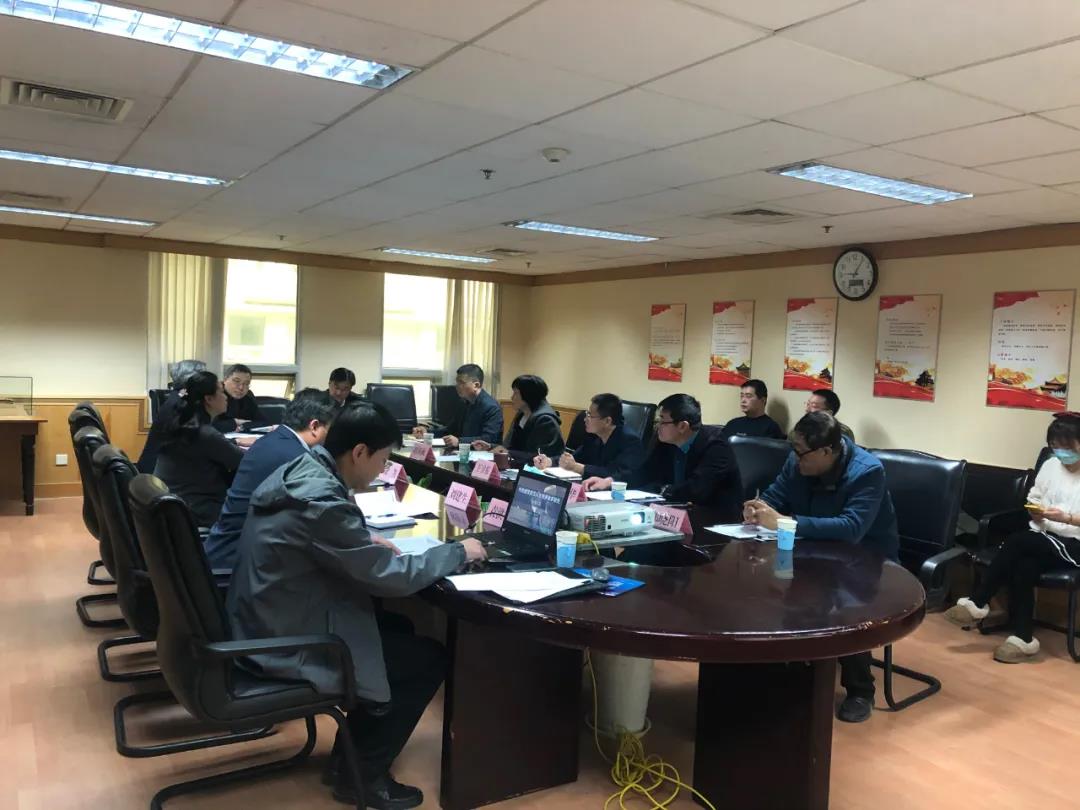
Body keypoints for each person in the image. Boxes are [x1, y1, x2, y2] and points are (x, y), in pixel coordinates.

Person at [226, 402, 486, 807]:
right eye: (383, 460)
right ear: (360, 452)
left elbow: (320, 536)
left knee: (397, 628)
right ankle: (361, 777)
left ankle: (349, 758)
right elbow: (389, 576)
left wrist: (360, 538)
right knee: (426, 660)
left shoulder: (302, 470)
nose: (383, 470)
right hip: (285, 640)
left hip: (266, 617)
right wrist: (458, 551)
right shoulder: (322, 502)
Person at [743, 411, 898, 723]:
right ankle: (792, 670)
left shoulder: (867, 471)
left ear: (827, 451)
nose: (795, 458)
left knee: (844, 604)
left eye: (801, 453)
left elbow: (852, 528)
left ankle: (860, 690)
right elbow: (775, 495)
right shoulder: (798, 461)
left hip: (866, 557)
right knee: (773, 586)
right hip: (812, 549)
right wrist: (757, 509)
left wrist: (785, 521)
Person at [944, 412, 1080, 664]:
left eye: (1068, 447)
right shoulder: (1051, 465)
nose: (1061, 453)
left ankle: (978, 601)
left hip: (1074, 544)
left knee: (1018, 541)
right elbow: (1035, 496)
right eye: (1055, 447)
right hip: (1043, 536)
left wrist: (1067, 518)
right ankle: (1023, 639)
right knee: (1024, 566)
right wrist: (1035, 510)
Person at [203, 388, 337, 570]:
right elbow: (323, 521)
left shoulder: (271, 440)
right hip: (238, 564)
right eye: (330, 429)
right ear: (314, 426)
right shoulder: (297, 459)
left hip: (222, 550)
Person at [583, 393, 742, 522]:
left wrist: (663, 490)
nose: (657, 426)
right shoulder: (664, 441)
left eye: (662, 421)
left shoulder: (716, 446)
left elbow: (696, 490)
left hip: (713, 519)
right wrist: (611, 481)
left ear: (682, 426)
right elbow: (644, 472)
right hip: (673, 511)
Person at [152, 370, 250, 528]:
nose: (226, 397)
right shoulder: (204, 433)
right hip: (197, 509)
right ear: (209, 399)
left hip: (173, 504)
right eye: (221, 392)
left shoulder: (181, 423)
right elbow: (246, 462)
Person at [534, 393, 645, 482]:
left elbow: (618, 474)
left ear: (607, 421)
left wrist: (577, 467)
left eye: (590, 416)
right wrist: (549, 461)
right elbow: (575, 458)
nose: (585, 419)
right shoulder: (593, 436)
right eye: (587, 414)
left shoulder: (629, 441)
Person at [138, 358, 208, 473]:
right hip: (160, 473)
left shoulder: (178, 397)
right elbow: (201, 439)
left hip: (163, 467)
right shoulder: (181, 404)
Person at [412, 363, 502, 449]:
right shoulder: (464, 403)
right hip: (463, 452)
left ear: (476, 385)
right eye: (457, 382)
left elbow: (488, 439)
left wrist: (459, 441)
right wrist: (427, 432)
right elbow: (450, 430)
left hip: (484, 456)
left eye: (461, 383)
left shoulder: (491, 407)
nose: (457, 386)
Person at [476, 374, 563, 463]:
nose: (512, 397)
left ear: (527, 394)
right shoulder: (522, 413)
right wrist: (491, 446)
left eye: (515, 393)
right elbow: (512, 447)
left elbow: (541, 457)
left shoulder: (545, 420)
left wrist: (508, 453)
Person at [214, 363, 266, 432]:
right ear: (225, 380)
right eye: (236, 381)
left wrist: (242, 426)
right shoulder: (214, 394)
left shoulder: (248, 396)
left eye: (246, 383)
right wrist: (234, 422)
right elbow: (207, 425)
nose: (241, 387)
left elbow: (263, 422)